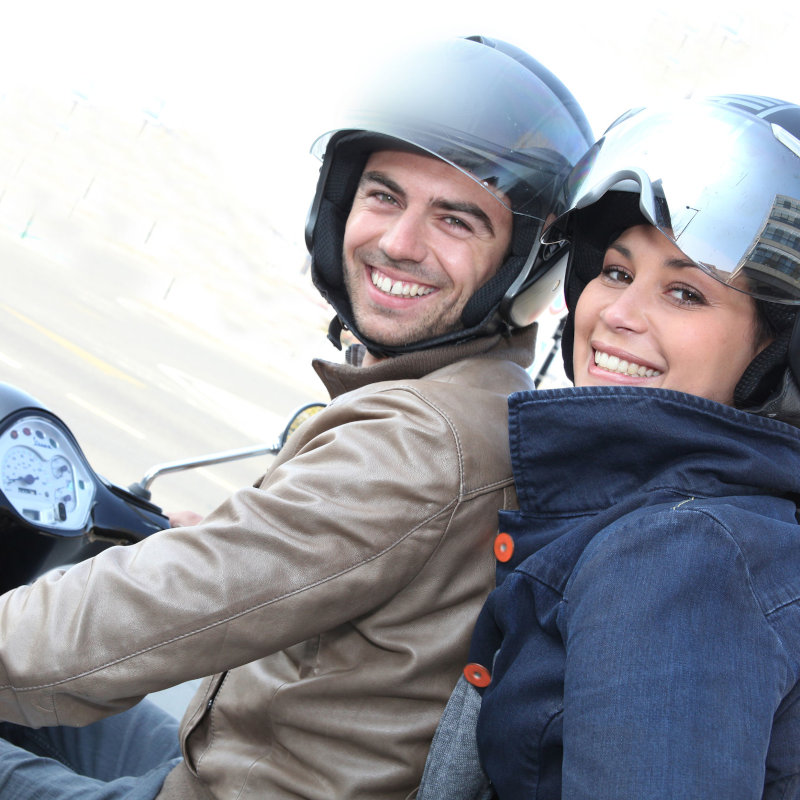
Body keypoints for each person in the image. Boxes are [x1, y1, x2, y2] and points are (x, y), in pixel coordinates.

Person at [0, 36, 593, 800]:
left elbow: (126, 621)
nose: (398, 244)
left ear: (523, 262)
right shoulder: (485, 403)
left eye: (456, 220)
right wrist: (220, 535)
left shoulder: (421, 441)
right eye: (383, 196)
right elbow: (296, 559)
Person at [418, 94, 800, 799]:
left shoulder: (679, 555)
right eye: (617, 273)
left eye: (686, 294)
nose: (616, 314)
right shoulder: (724, 523)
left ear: (774, 356)